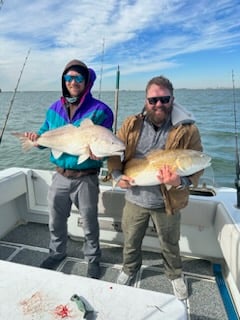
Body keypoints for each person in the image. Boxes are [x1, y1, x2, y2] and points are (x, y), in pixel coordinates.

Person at [107, 75, 203, 300]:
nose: (158, 104)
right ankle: (129, 269)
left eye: (164, 99)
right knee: (130, 240)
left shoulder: (188, 130)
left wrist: (180, 182)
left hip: (167, 201)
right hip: (135, 197)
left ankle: (174, 274)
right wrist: (117, 175)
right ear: (145, 100)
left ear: (172, 99)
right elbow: (114, 154)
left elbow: (197, 168)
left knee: (170, 243)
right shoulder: (131, 124)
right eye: (153, 100)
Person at [25, 59, 114, 279]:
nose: (73, 82)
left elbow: (105, 140)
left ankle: (93, 259)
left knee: (89, 222)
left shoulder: (100, 110)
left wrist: (99, 153)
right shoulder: (54, 109)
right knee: (55, 220)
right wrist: (35, 140)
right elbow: (44, 134)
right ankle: (57, 253)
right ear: (64, 81)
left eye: (78, 78)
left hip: (87, 177)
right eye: (68, 78)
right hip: (60, 176)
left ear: (86, 81)